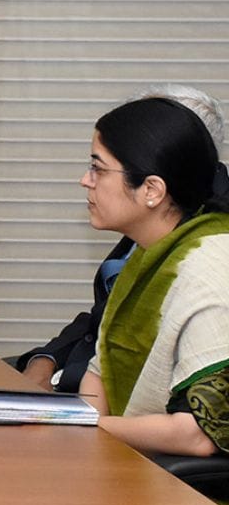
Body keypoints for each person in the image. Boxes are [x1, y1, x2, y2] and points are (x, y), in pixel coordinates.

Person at [16, 85, 228, 392]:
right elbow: (100, 325)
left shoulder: (206, 259)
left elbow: (196, 419)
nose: (85, 180)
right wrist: (45, 359)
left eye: (98, 169)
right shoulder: (151, 238)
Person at [77, 97, 229, 456]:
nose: (85, 181)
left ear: (151, 190)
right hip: (126, 460)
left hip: (184, 486)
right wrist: (77, 426)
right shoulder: (150, 252)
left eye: (98, 169)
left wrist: (85, 428)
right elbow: (98, 375)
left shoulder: (209, 268)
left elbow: (198, 434)